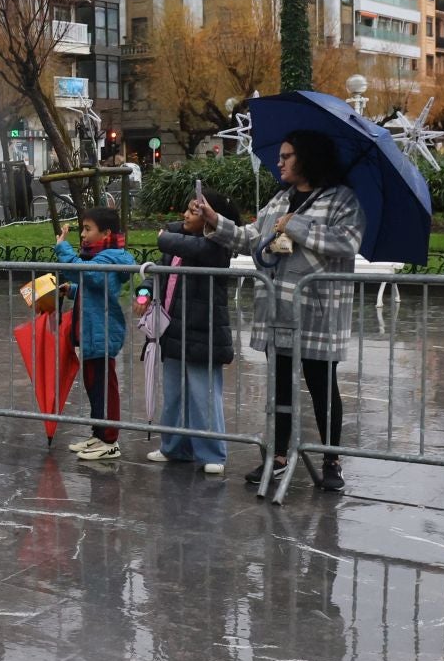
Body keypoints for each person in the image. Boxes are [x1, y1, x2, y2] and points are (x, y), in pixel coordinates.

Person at [195, 129, 363, 491]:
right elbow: (251, 239)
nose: (280, 162)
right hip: (277, 313)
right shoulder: (279, 200)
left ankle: (331, 460)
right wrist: (214, 220)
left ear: (308, 158)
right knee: (279, 390)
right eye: (281, 155)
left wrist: (297, 226)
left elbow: (348, 241)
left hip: (318, 314)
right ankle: (278, 457)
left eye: (287, 156)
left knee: (322, 388)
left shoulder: (340, 200)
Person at [147, 189, 237, 474]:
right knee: (173, 392)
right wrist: (143, 293)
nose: (185, 215)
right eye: (186, 210)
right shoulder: (176, 246)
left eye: (194, 212)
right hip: (172, 328)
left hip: (203, 330)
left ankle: (212, 452)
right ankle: (174, 446)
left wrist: (165, 237)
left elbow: (195, 248)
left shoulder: (216, 245)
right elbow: (158, 276)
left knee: (204, 393)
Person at [54, 206, 134, 462]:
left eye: (88, 229)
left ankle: (109, 440)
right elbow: (95, 287)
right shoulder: (102, 258)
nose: (83, 235)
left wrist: (62, 248)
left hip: (101, 334)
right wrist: (73, 290)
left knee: (103, 388)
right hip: (90, 334)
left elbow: (88, 273)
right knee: (93, 386)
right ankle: (99, 433)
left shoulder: (110, 258)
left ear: (106, 232)